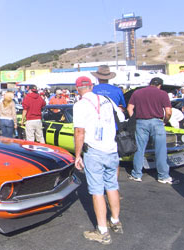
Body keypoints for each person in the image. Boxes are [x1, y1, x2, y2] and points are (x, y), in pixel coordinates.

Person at [73, 76, 124, 245]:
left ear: (78, 89)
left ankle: (102, 231)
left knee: (97, 191)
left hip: (94, 150)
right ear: (92, 86)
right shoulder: (107, 99)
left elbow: (80, 132)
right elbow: (121, 119)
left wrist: (78, 155)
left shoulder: (80, 105)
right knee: (112, 186)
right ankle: (116, 221)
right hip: (112, 148)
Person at [127, 77, 176, 184]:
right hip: (157, 122)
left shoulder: (137, 92)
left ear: (150, 83)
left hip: (141, 122)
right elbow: (168, 111)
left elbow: (129, 108)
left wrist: (133, 119)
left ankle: (136, 174)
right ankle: (163, 176)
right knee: (161, 150)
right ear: (160, 85)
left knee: (139, 149)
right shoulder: (162, 93)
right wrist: (165, 121)